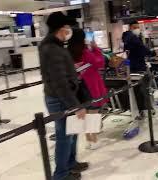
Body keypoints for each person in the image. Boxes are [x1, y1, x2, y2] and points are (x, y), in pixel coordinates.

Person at [39, 12, 88, 180]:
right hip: (60, 99)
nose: (69, 30)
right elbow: (59, 83)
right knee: (64, 137)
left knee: (72, 132)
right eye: (67, 27)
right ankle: (61, 175)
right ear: (60, 29)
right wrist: (76, 105)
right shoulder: (52, 49)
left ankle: (70, 163)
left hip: (64, 96)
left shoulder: (57, 46)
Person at [68, 28, 109, 150]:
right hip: (91, 84)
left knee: (84, 113)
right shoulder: (85, 51)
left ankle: (87, 139)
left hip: (77, 86)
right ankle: (94, 139)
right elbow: (99, 63)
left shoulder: (69, 52)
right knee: (93, 113)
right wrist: (96, 48)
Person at [122, 20, 157, 118]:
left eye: (138, 27)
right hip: (138, 67)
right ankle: (145, 109)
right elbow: (142, 49)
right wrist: (152, 53)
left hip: (134, 66)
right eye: (135, 27)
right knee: (144, 87)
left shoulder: (128, 38)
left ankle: (141, 109)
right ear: (130, 28)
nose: (137, 29)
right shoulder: (132, 37)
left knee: (138, 89)